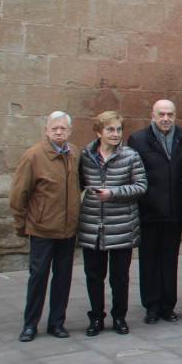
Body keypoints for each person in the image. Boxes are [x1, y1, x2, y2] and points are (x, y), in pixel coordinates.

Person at [11, 112, 81, 342]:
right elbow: (19, 193)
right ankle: (30, 324)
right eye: (55, 128)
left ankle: (56, 322)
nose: (59, 132)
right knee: (39, 276)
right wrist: (22, 224)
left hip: (67, 229)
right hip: (42, 228)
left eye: (63, 129)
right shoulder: (33, 156)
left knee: (63, 277)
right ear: (46, 130)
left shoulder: (74, 154)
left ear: (70, 131)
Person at [77, 111, 148, 336]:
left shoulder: (131, 156)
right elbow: (78, 183)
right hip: (93, 226)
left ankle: (119, 316)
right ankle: (96, 317)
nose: (115, 134)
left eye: (118, 129)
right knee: (94, 275)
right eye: (110, 129)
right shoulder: (86, 156)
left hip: (122, 226)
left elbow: (141, 186)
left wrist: (113, 193)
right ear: (99, 132)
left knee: (119, 277)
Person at [128, 99, 182, 324]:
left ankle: (168, 305)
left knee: (170, 259)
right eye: (161, 114)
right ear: (153, 115)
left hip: (175, 210)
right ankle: (152, 305)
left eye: (170, 114)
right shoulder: (138, 139)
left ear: (175, 115)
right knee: (149, 260)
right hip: (149, 210)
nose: (165, 119)